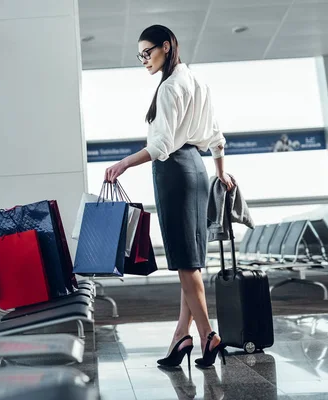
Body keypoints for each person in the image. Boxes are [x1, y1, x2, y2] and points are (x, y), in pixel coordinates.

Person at [104, 25, 234, 369]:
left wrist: (124, 163)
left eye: (148, 53)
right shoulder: (197, 82)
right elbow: (217, 137)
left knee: (185, 261)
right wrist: (220, 172)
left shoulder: (169, 88)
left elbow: (161, 146)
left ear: (166, 47)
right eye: (140, 56)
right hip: (197, 169)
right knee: (187, 259)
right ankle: (181, 336)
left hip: (174, 171)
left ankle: (208, 334)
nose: (144, 60)